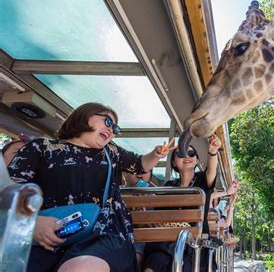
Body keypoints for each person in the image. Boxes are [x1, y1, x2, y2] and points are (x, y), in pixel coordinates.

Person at [7, 102, 175, 272]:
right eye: (108, 122)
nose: (111, 130)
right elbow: (11, 191)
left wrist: (156, 154)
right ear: (85, 115)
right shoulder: (41, 147)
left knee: (79, 268)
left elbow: (140, 164)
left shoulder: (112, 152)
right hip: (51, 234)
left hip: (104, 234)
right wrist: (32, 222)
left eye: (115, 129)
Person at [143, 135, 221, 272]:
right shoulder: (168, 185)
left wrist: (212, 152)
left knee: (184, 265)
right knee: (153, 262)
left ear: (196, 160)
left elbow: (212, 171)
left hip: (194, 246)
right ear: (173, 162)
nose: (187, 156)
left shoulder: (202, 180)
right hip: (167, 243)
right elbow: (158, 216)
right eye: (181, 154)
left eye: (191, 153)